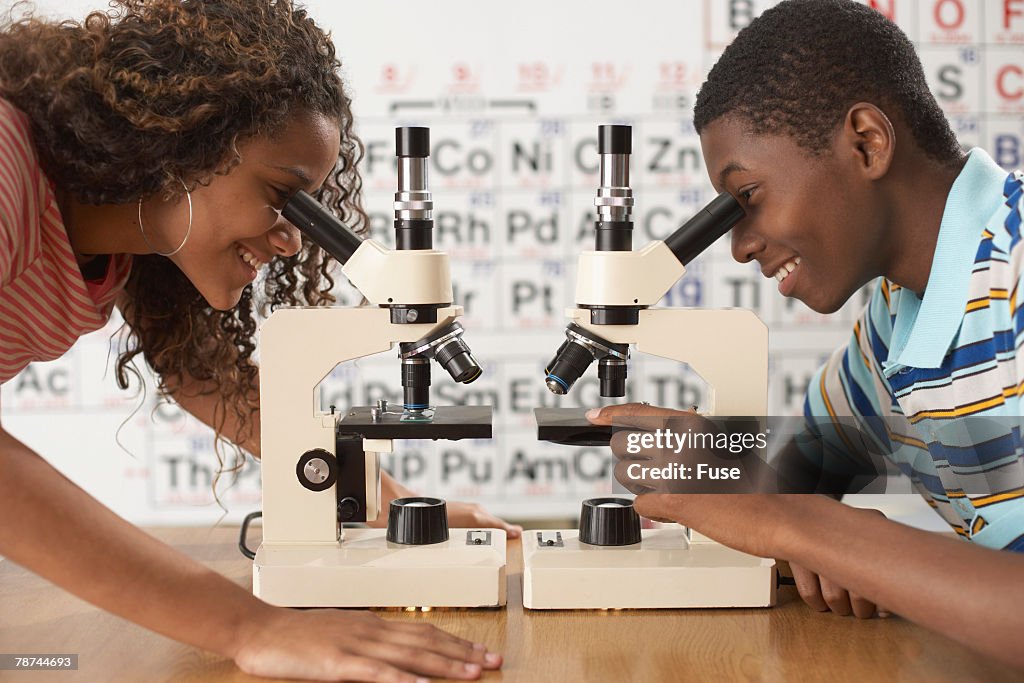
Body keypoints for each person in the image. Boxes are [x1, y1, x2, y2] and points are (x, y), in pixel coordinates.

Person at [0, 1, 514, 680]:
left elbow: (206, 376)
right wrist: (247, 624)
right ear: (177, 145)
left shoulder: (119, 241)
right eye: (281, 195)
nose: (293, 239)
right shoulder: (8, 172)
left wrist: (393, 504)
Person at [588, 0, 1024, 669]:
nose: (738, 247)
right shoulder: (889, 329)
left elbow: (792, 510)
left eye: (749, 196)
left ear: (866, 143)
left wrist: (812, 529)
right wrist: (708, 453)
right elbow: (795, 473)